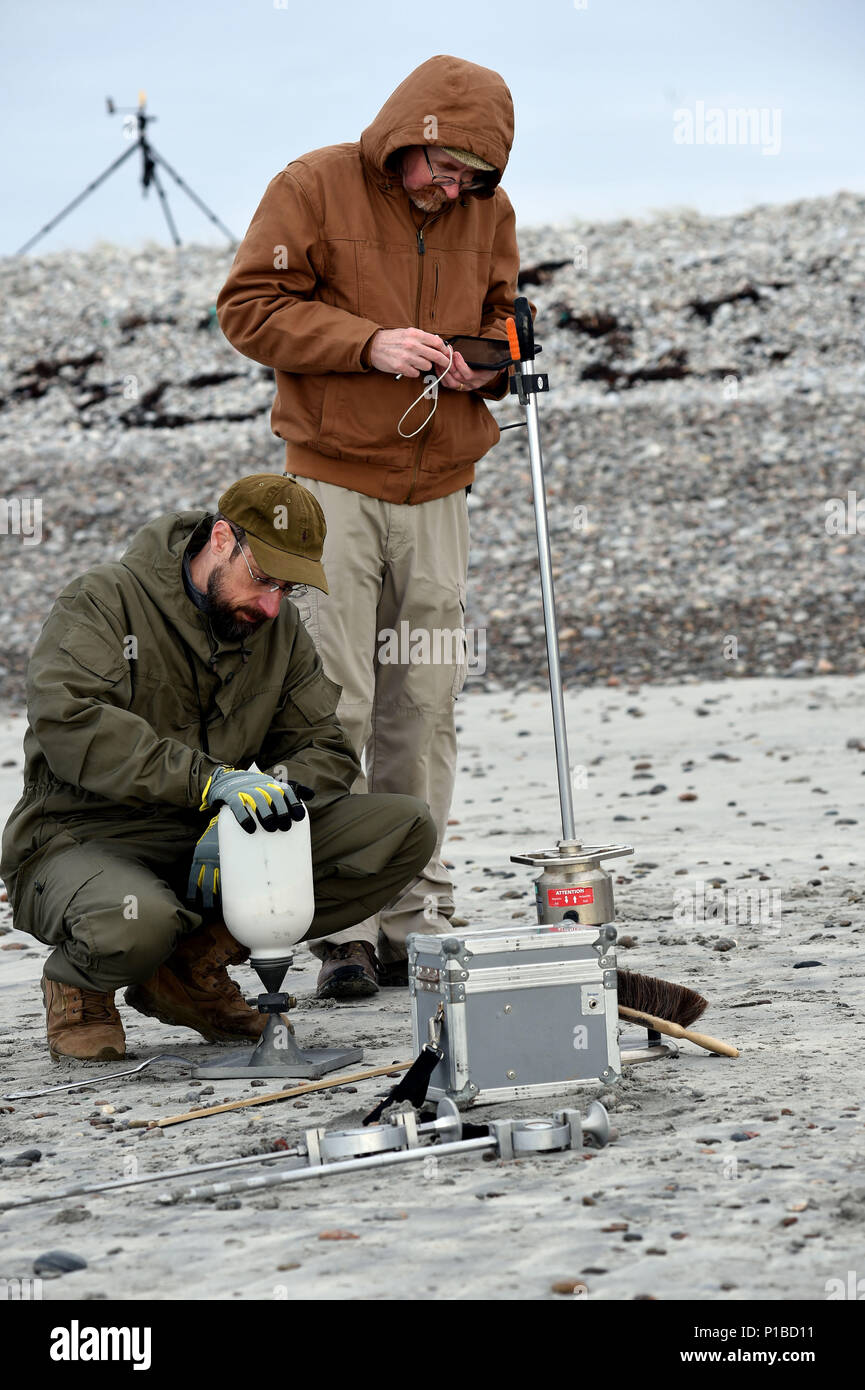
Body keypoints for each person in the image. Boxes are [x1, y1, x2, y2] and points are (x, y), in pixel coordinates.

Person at [217, 53, 531, 1001]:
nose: (454, 188)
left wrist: (492, 361)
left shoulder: (490, 215)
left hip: (441, 487)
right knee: (335, 701)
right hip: (332, 488)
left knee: (424, 703)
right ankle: (341, 926)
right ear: (408, 137)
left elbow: (507, 322)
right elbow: (248, 308)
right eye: (444, 168)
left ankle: (414, 918)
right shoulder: (309, 186)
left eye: (475, 177)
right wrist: (368, 342)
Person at [0, 475, 436, 1062]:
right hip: (84, 838)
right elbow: (69, 721)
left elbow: (324, 745)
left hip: (210, 835)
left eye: (287, 587)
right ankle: (81, 982)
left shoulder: (277, 628)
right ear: (222, 538)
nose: (271, 604)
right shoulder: (103, 600)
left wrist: (267, 797)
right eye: (262, 580)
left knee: (401, 828)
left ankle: (189, 968)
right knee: (138, 923)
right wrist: (208, 783)